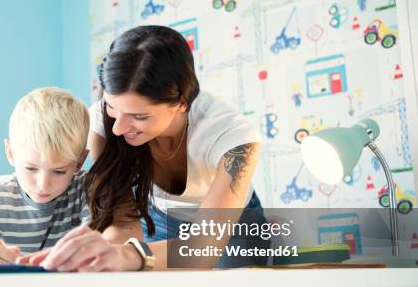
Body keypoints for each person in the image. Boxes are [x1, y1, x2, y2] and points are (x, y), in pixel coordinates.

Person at [19, 25, 269, 272]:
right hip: (157, 218)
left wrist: (130, 254)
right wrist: (95, 254)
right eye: (112, 107)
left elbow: (202, 250)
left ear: (181, 102)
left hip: (234, 226)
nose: (118, 128)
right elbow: (124, 223)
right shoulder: (103, 124)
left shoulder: (233, 137)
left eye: (138, 115)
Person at [0, 87, 90, 263]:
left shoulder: (87, 188)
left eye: (59, 171)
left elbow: (98, 246)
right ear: (10, 152)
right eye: (31, 168)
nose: (43, 184)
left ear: (79, 161)